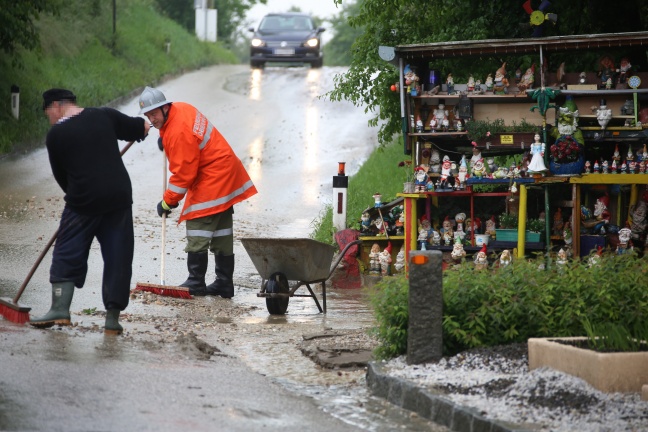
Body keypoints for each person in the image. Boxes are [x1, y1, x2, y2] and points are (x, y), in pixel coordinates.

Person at [31, 88, 150, 335]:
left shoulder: (56, 135)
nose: (49, 118)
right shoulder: (103, 115)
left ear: (55, 106)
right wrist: (145, 127)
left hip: (83, 201)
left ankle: (60, 310)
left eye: (48, 113)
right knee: (119, 256)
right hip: (118, 196)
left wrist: (78, 193)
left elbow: (61, 175)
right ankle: (112, 320)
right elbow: (140, 127)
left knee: (67, 251)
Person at [138, 86, 257, 298]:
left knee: (197, 225)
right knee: (221, 230)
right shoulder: (182, 109)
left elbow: (183, 174)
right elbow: (189, 137)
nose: (152, 119)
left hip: (212, 177)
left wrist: (168, 202)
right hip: (226, 171)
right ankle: (224, 283)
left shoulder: (177, 131)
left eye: (154, 114)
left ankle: (196, 282)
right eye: (148, 115)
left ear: (165, 108)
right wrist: (163, 136)